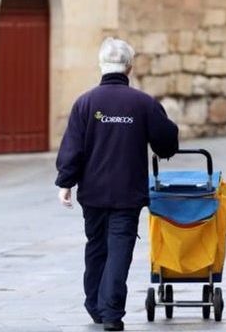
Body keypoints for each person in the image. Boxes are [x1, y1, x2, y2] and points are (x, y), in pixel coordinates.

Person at [55, 37, 179, 331]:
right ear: (129, 67)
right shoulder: (143, 103)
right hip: (128, 193)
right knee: (119, 248)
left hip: (93, 193)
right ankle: (111, 313)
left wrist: (65, 183)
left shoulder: (85, 103)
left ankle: (96, 307)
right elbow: (167, 141)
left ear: (100, 66)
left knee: (96, 246)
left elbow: (73, 148)